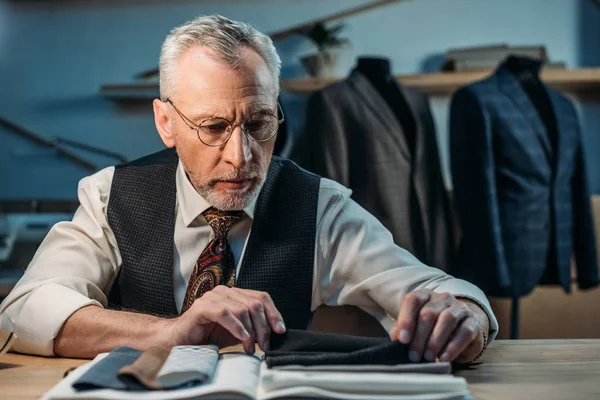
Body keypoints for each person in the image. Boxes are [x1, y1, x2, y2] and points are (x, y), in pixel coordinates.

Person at [0, 15, 498, 363]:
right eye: (213, 126)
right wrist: (170, 333)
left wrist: (464, 317)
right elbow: (23, 310)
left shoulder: (319, 206)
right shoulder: (109, 195)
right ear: (166, 123)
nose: (241, 156)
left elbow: (441, 292)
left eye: (259, 123)